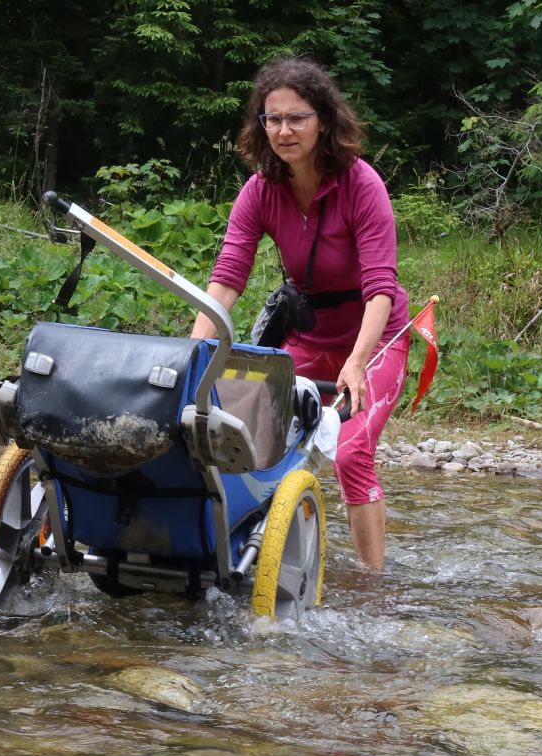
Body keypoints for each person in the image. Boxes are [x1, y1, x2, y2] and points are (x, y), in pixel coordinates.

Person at [191, 56, 411, 571]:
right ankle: (247, 556)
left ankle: (372, 587)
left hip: (375, 338)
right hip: (309, 337)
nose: (283, 130)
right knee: (248, 434)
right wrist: (192, 354)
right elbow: (227, 279)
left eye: (297, 118)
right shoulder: (260, 191)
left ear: (323, 120)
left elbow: (381, 287)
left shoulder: (362, 185)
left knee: (352, 451)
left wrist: (356, 362)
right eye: (273, 119)